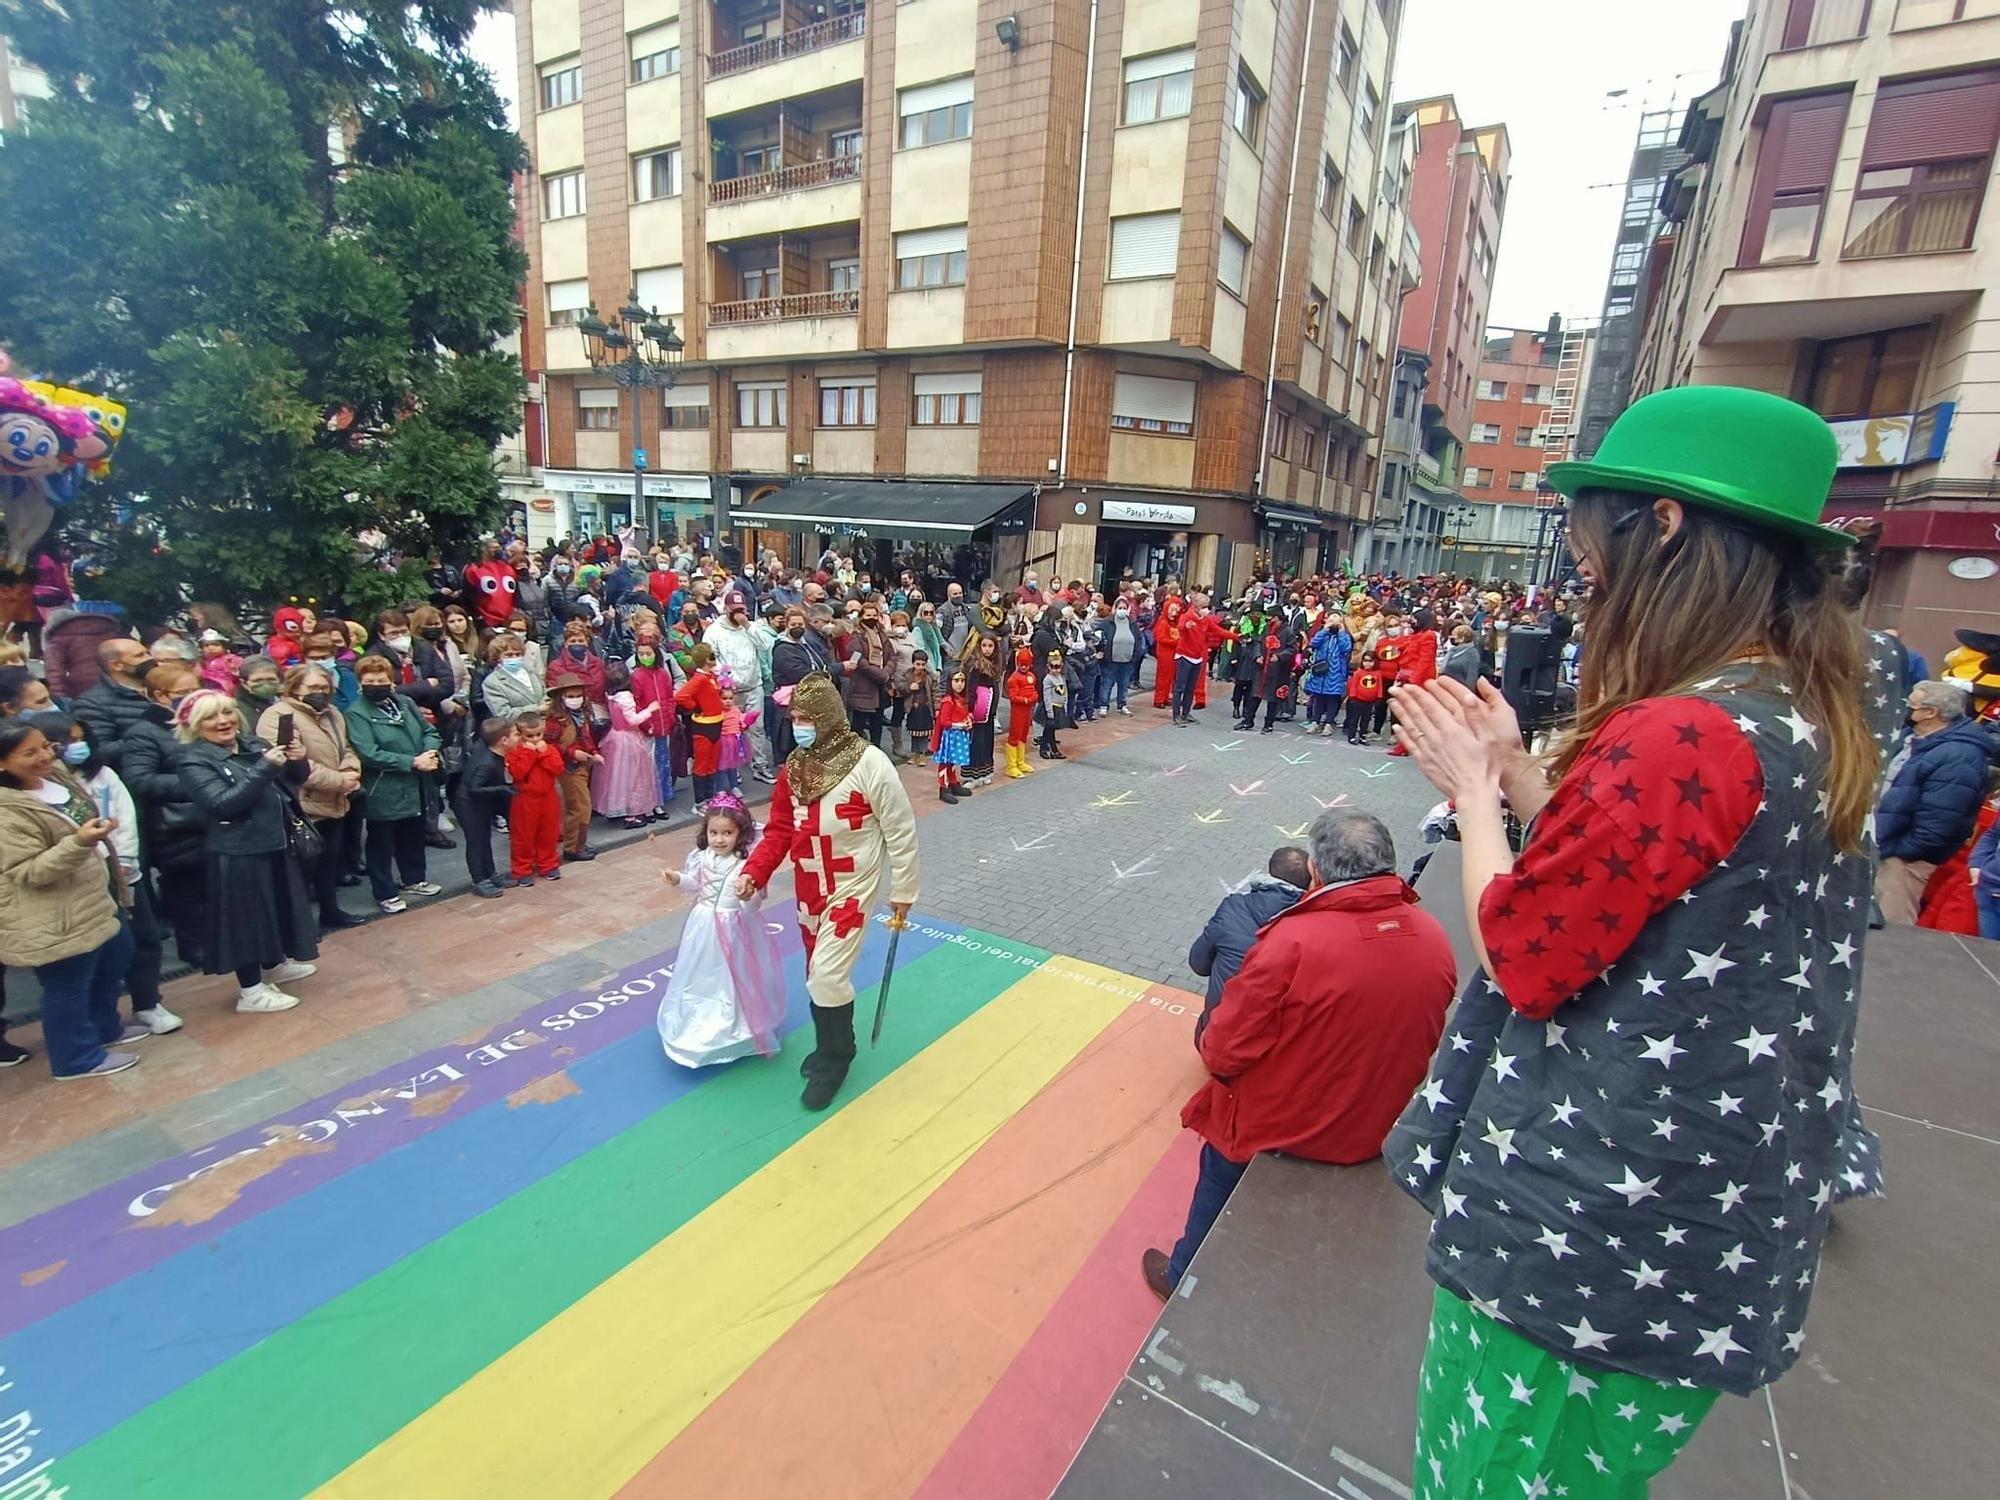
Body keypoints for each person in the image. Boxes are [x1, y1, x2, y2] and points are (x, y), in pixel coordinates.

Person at [1383, 386, 1880, 1497]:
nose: (1577, 569)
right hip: (1697, 1229)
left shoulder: (1680, 730)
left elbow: (1526, 953)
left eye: (1587, 534)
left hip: (1584, 1231)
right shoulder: (1801, 706)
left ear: (1660, 525)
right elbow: (1653, 860)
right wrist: (1521, 772)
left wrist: (1471, 796)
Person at [1143, 811, 1454, 1297]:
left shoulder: (1294, 940)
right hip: (1374, 1125)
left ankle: (1184, 1272)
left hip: (1282, 1126)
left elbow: (1224, 1051)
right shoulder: (1433, 937)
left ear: (1317, 871)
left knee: (1218, 1168)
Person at [740, 672, 920, 1109]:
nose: (798, 724)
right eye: (794, 716)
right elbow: (781, 828)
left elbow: (899, 828)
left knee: (827, 974)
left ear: (827, 718)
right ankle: (827, 1048)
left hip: (852, 884)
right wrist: (755, 871)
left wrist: (904, 889)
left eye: (806, 717)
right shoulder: (795, 769)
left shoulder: (870, 763)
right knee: (815, 973)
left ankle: (837, 1057)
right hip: (809, 885)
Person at [0, 718, 145, 1077]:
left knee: (114, 958)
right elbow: (29, 871)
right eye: (28, 753)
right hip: (52, 910)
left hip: (93, 894)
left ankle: (104, 1028)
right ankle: (75, 1058)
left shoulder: (57, 776)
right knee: (67, 985)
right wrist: (79, 842)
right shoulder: (7, 809)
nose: (44, 757)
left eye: (45, 748)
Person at [32, 711, 181, 1035]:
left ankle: (147, 1003)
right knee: (99, 952)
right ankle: (97, 1019)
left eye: (80, 737)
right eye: (67, 741)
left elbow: (125, 818)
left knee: (143, 940)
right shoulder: (35, 790)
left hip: (122, 873)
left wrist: (124, 860)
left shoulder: (104, 776)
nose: (77, 745)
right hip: (79, 879)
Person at [174, 690, 320, 1014]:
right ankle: (251, 990)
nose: (223, 721)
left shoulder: (254, 744)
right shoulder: (193, 760)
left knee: (276, 908)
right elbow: (222, 804)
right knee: (245, 921)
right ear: (195, 724)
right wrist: (265, 768)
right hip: (237, 849)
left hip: (274, 840)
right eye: (211, 716)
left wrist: (297, 759)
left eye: (227, 712)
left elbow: (295, 780)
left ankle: (275, 962)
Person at [655, 796, 786, 1067]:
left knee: (734, 977)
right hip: (702, 925)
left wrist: (747, 893)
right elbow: (695, 884)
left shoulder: (746, 866)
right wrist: (678, 879)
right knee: (700, 974)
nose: (719, 839)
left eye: (727, 833)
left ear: (741, 834)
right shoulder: (702, 857)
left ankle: (737, 1029)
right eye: (713, 833)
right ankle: (696, 1024)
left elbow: (752, 907)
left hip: (735, 928)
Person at [1874, 679, 1996, 924]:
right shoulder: (1910, 738)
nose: (1906, 709)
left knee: (1892, 933)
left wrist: (1901, 853)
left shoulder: (1960, 755)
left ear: (1931, 713)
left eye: (1912, 705)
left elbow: (1942, 819)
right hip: (1882, 845)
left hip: (1903, 860)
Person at [259, 663, 364, 931]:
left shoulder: (333, 714)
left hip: (335, 800)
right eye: (313, 687)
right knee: (301, 870)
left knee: (329, 864)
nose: (320, 692)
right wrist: (339, 781)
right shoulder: (278, 716)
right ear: (294, 687)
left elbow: (346, 748)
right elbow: (294, 764)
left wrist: (350, 771)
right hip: (303, 804)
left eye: (324, 687)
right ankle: (300, 926)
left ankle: (331, 912)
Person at [345, 654, 444, 915]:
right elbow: (369, 752)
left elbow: (429, 731)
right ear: (360, 682)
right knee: (381, 841)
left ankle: (414, 879)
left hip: (416, 782)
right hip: (384, 786)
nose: (376, 684)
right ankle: (385, 892)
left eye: (381, 679)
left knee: (412, 832)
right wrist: (412, 761)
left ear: (391, 681)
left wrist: (430, 754)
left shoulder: (405, 702)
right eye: (370, 680)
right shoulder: (356, 712)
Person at [1186, 846, 1310, 1043]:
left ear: (1271, 872)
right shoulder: (1315, 924)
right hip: (1273, 1049)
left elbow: (1198, 963)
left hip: (1216, 1036)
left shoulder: (1233, 908)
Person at [593, 660, 662, 829]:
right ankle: (633, 814)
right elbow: (632, 720)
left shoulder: (610, 695)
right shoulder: (625, 697)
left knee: (617, 776)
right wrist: (649, 710)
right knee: (635, 776)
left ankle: (615, 809)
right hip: (629, 738)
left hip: (615, 737)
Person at [72, 637, 155, 772]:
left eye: (147, 653)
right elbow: (100, 752)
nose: (149, 659)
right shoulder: (92, 704)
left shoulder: (158, 688)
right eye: (139, 656)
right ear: (116, 665)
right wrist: (148, 737)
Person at [456, 719, 517, 898]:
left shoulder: (492, 752)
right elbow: (474, 788)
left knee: (485, 839)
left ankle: (491, 874)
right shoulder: (487, 763)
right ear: (503, 741)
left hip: (481, 804)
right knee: (476, 842)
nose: (518, 738)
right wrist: (503, 788)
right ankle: (479, 880)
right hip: (469, 805)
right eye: (515, 734)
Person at [504, 708, 564, 885]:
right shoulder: (514, 751)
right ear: (521, 734)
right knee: (523, 836)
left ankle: (548, 864)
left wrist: (543, 753)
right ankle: (522, 869)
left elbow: (558, 768)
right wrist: (530, 753)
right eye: (530, 736)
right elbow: (518, 773)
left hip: (548, 796)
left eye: (538, 734)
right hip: (525, 798)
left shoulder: (550, 749)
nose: (535, 739)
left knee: (549, 833)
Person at [546, 671, 602, 859]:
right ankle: (572, 848)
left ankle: (580, 844)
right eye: (571, 696)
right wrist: (571, 753)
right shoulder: (555, 720)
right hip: (567, 767)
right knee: (578, 807)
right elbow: (549, 744)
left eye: (578, 695)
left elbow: (586, 738)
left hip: (583, 765)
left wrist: (594, 753)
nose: (575, 699)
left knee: (583, 807)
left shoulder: (581, 715)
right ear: (561, 697)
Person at [1302, 613, 1351, 737]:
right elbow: (1313, 643)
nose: (1333, 623)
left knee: (1332, 698)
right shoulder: (1323, 634)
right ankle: (1315, 721)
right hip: (1321, 670)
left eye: (1336, 620)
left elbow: (1346, 648)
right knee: (1318, 697)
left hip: (1336, 671)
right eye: (1331, 620)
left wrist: (1340, 631)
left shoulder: (1344, 635)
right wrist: (1324, 630)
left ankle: (1328, 723)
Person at [1092, 598, 1142, 716]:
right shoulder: (1107, 623)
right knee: (1107, 683)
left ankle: (1122, 705)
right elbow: (1097, 638)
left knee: (1124, 684)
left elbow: (1138, 640)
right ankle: (1104, 705)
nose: (1122, 611)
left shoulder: (1132, 624)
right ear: (1115, 608)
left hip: (1128, 660)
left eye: (1124, 608)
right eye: (1120, 608)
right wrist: (1101, 651)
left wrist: (1136, 656)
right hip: (1110, 660)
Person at [931, 667, 975, 803]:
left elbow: (965, 714)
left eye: (962, 680)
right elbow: (944, 722)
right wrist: (960, 725)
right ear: (950, 682)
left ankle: (953, 783)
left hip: (959, 736)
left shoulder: (962, 700)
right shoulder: (948, 701)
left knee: (953, 762)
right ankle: (943, 788)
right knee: (945, 762)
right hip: (949, 737)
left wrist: (969, 721)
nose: (960, 684)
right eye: (956, 680)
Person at [1003, 647, 1038, 780]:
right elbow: (1013, 696)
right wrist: (1026, 699)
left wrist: (1033, 697)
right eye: (1021, 664)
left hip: (1027, 710)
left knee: (1023, 735)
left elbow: (1034, 690)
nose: (1023, 667)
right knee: (1014, 736)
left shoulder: (1031, 676)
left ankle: (1020, 761)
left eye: (1026, 664)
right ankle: (1011, 766)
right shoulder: (1013, 678)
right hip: (1018, 710)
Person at [1342, 650, 1384, 745]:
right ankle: (1351, 736)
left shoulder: (1377, 673)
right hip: (1358, 700)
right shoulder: (1358, 672)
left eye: (1370, 661)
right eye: (1365, 660)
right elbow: (1354, 685)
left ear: (1374, 662)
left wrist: (1379, 697)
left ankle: (1362, 736)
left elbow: (1379, 686)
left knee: (1366, 720)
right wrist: (1352, 696)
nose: (1367, 663)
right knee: (1354, 719)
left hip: (1370, 701)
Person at [1037, 647, 1070, 760]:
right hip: (1051, 708)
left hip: (1059, 707)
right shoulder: (1048, 679)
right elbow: (1046, 696)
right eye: (1053, 667)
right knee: (1049, 729)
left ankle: (1048, 748)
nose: (1056, 670)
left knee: (1051, 730)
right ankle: (1049, 749)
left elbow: (1065, 692)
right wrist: (1049, 711)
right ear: (1048, 667)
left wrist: (1065, 704)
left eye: (1058, 667)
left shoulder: (1062, 677)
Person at [197, 630, 243, 698]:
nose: (210, 648)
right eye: (206, 645)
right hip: (207, 690)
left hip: (228, 690)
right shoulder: (201, 662)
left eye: (215, 644)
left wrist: (234, 671)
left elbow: (241, 677)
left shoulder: (232, 659)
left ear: (224, 646)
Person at [1440, 623, 1482, 689]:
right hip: (1447, 686)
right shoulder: (1453, 651)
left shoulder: (1472, 653)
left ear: (1462, 638)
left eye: (1454, 636)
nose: (1452, 638)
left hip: (1460, 689)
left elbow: (1472, 677)